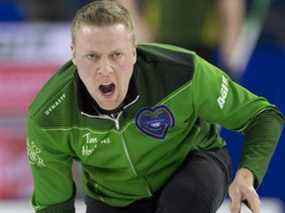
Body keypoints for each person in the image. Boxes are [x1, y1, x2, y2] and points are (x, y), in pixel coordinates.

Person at [26, 1, 284, 212]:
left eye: (117, 55)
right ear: (73, 54)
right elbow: (53, 206)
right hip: (112, 196)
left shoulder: (184, 73)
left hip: (192, 166)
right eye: (91, 56)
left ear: (135, 51)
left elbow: (263, 116)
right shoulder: (49, 117)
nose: (105, 70)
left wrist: (247, 174)